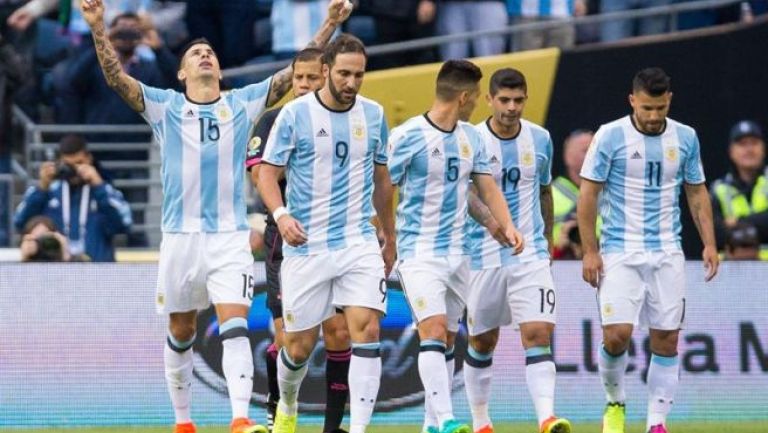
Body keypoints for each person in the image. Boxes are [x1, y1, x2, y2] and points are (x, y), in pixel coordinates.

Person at [78, 0, 352, 432]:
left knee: (236, 323)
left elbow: (296, 72)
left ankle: (240, 418)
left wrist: (331, 23)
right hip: (180, 236)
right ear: (182, 73)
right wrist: (98, 27)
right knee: (183, 329)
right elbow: (116, 79)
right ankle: (183, 421)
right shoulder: (164, 106)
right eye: (195, 55)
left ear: (220, 71)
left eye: (210, 54)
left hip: (229, 235)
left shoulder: (242, 104)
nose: (205, 56)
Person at [258, 34, 395, 433]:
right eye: (344, 74)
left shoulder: (374, 115)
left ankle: (358, 429)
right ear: (325, 72)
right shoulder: (295, 115)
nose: (352, 82)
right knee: (297, 348)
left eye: (359, 75)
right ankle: (287, 404)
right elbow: (267, 172)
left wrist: (390, 234)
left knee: (366, 329)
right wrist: (281, 215)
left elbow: (382, 179)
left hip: (357, 241)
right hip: (307, 246)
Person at [577, 67, 719, 433]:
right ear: (632, 101)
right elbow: (588, 194)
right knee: (617, 335)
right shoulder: (610, 136)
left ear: (668, 100)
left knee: (667, 340)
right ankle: (615, 403)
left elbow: (696, 191)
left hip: (667, 251)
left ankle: (656, 422)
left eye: (660, 108)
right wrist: (589, 250)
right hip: (619, 251)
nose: (654, 117)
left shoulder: (686, 137)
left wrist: (709, 243)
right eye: (646, 109)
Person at [387, 59, 524, 433]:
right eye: (477, 97)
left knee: (448, 337)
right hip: (419, 252)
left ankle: (431, 425)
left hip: (459, 254)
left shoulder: (471, 137)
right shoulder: (408, 135)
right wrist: (386, 235)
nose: (478, 103)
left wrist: (506, 226)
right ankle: (448, 419)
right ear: (464, 97)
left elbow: (485, 187)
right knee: (431, 330)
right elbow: (383, 188)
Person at [246, 47, 351, 433]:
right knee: (289, 338)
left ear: (326, 77)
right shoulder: (276, 120)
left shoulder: (347, 118)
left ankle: (333, 426)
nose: (304, 85)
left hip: (338, 238)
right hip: (286, 239)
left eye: (311, 78)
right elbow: (260, 176)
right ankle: (280, 415)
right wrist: (279, 214)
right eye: (298, 79)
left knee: (339, 332)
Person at [462, 68, 571, 433]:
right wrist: (493, 226)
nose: (512, 108)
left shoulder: (540, 139)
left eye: (519, 100)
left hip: (530, 253)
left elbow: (544, 190)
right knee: (481, 340)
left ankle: (546, 418)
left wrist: (547, 243)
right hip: (481, 255)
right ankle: (481, 423)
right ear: (490, 99)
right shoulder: (471, 139)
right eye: (504, 100)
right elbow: (467, 195)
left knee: (538, 332)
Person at [13, 134, 132, 262]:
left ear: (89, 159)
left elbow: (124, 223)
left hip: (98, 272)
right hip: (57, 271)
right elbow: (20, 222)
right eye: (69, 165)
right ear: (59, 162)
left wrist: (99, 185)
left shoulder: (104, 191)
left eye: (79, 163)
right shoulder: (49, 192)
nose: (75, 170)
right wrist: (42, 188)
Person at [710, 120, 768, 260]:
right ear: (731, 152)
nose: (749, 149)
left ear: (764, 149)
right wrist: (758, 226)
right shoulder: (719, 189)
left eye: (754, 143)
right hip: (730, 271)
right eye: (742, 144)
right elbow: (713, 233)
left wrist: (737, 222)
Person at [551, 129, 594, 259]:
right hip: (560, 265)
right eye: (586, 151)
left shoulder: (613, 195)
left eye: (596, 150)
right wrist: (558, 248)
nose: (593, 155)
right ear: (568, 157)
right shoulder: (547, 195)